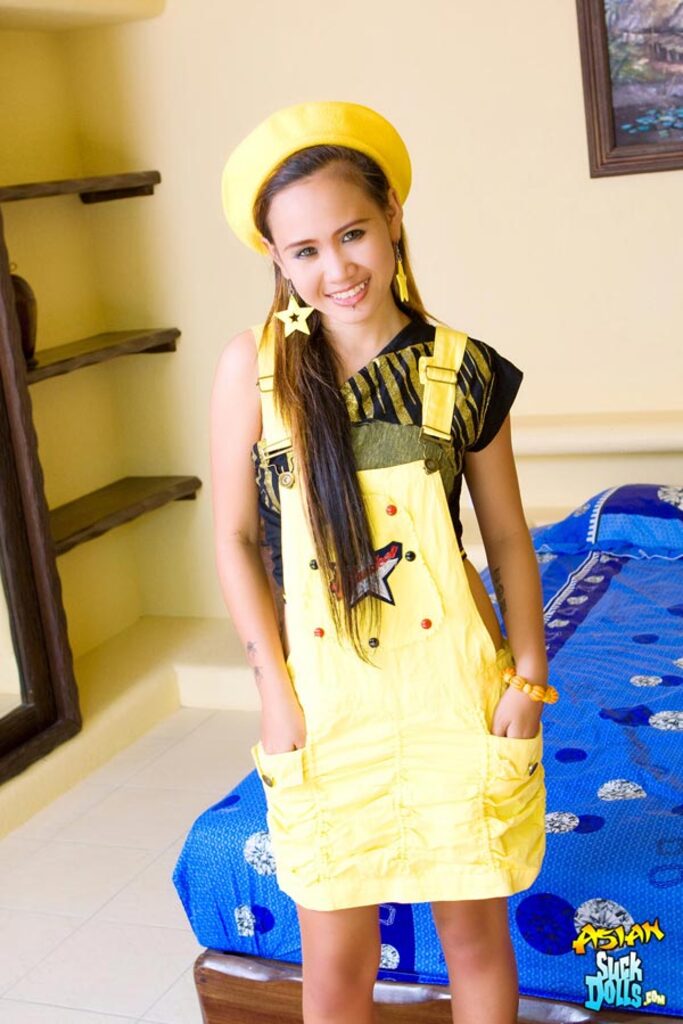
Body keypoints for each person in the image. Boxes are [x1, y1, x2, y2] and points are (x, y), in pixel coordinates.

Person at [211, 100, 559, 1024]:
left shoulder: (463, 368)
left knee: (473, 939)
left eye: (352, 233)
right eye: (305, 250)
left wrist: (528, 674)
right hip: (325, 707)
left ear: (393, 215)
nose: (337, 269)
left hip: (454, 695)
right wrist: (274, 695)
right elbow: (234, 539)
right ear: (277, 259)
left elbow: (507, 538)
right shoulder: (253, 370)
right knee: (335, 959)